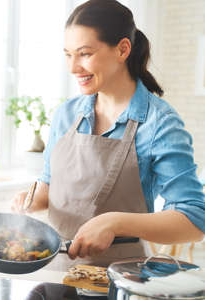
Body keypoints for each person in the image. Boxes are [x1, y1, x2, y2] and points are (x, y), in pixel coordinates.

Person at [12, 0, 204, 270]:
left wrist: (115, 222)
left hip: (121, 279)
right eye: (68, 55)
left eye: (84, 54)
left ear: (123, 49)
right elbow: (49, 184)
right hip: (54, 271)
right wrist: (31, 200)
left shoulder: (159, 123)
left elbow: (194, 220)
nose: (73, 67)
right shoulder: (65, 115)